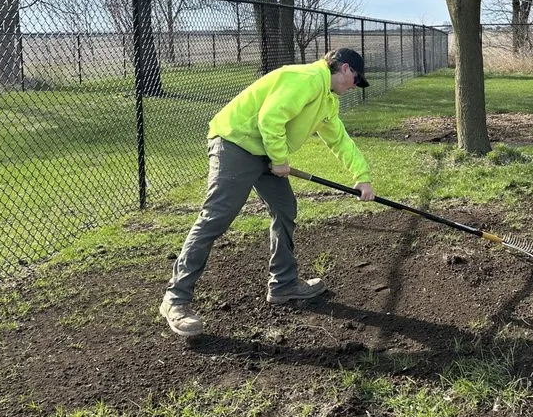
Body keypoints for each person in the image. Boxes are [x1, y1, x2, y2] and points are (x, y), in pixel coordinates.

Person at [160, 48, 375, 337]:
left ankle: (283, 284)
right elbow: (270, 118)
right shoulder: (307, 79)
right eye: (356, 79)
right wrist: (279, 159)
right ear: (345, 68)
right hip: (236, 142)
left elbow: (339, 139)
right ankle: (176, 299)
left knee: (285, 208)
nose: (354, 87)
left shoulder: (327, 99)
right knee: (216, 218)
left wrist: (362, 177)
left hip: (264, 150)